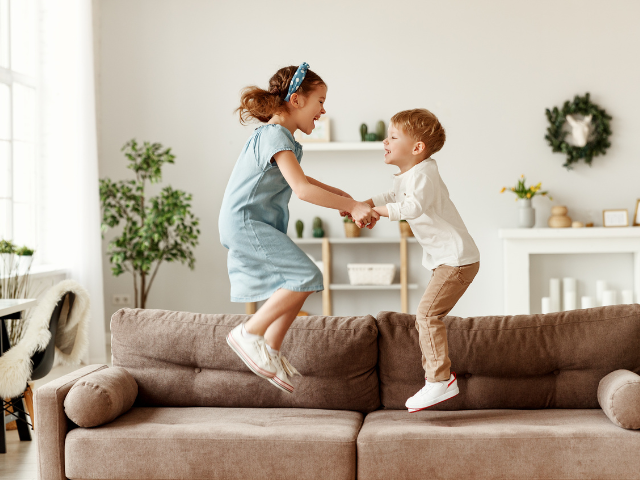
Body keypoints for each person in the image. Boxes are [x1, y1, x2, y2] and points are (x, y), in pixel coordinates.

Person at [219, 63, 379, 394]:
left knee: (301, 279)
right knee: (306, 276)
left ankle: (271, 349)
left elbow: (301, 180)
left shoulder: (280, 138)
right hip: (246, 222)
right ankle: (248, 334)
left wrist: (342, 196)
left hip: (250, 223)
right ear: (296, 99)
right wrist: (349, 206)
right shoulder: (275, 134)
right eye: (319, 100)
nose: (323, 109)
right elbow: (302, 190)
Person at [363, 108, 480, 412]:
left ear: (417, 148)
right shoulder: (408, 175)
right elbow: (393, 197)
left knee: (427, 316)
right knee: (427, 316)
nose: (385, 142)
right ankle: (436, 380)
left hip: (457, 260)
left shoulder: (425, 172)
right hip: (447, 260)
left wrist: (374, 212)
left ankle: (439, 381)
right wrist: (366, 204)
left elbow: (411, 208)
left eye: (392, 137)